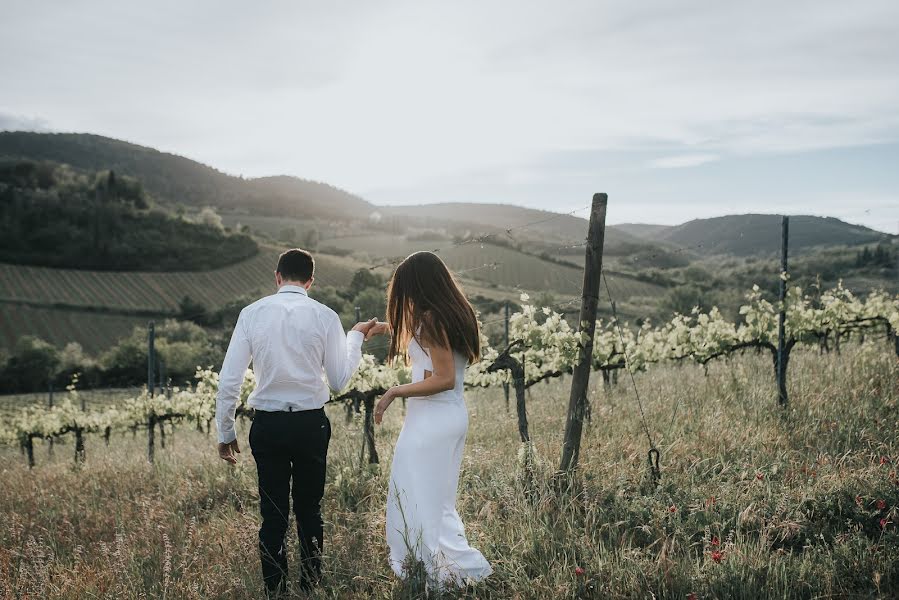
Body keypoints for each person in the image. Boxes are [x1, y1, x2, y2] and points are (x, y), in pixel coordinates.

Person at [215, 248, 385, 597]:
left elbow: (229, 379)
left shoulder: (251, 314)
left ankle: (275, 591)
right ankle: (310, 588)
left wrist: (226, 431)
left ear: (277, 277)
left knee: (273, 513)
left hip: (268, 427)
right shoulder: (325, 316)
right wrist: (355, 337)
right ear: (311, 281)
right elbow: (338, 381)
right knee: (310, 510)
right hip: (311, 426)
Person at [372, 251, 493, 588]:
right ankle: (438, 567)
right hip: (446, 416)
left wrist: (395, 391)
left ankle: (432, 571)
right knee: (432, 498)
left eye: (405, 291)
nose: (403, 299)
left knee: (416, 494)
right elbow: (430, 353)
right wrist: (388, 328)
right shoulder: (449, 314)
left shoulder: (433, 320)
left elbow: (443, 377)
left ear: (417, 287)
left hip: (433, 419)